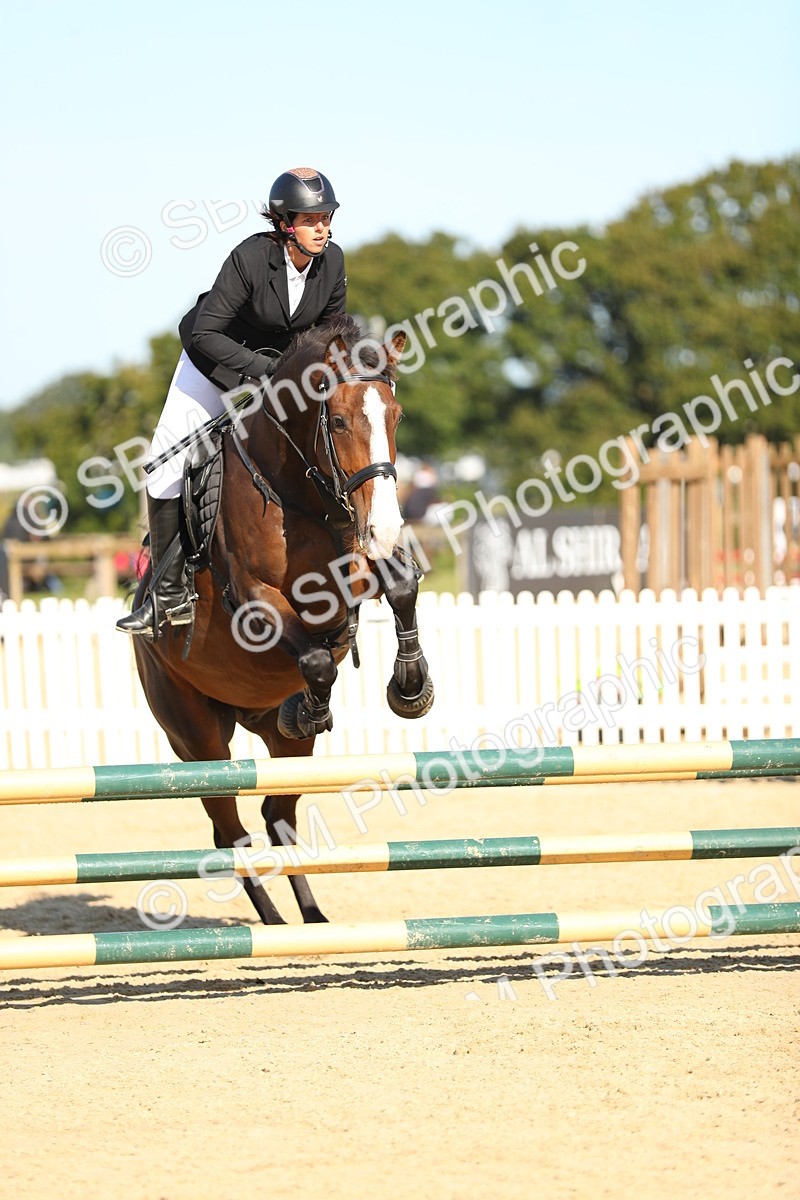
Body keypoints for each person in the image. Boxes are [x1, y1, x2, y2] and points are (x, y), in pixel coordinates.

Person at [116, 166, 346, 638]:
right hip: (214, 363)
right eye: (310, 218)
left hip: (275, 372)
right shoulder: (250, 258)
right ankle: (167, 592)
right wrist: (263, 372)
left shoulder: (333, 263)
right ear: (285, 223)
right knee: (164, 464)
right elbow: (206, 333)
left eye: (325, 216)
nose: (322, 227)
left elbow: (331, 337)